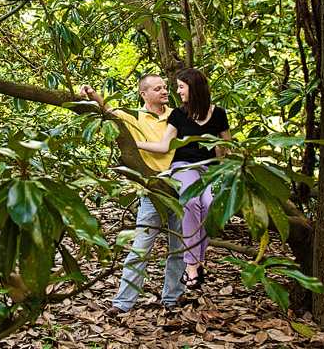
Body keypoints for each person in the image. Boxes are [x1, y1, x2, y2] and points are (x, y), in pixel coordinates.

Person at [79, 75, 185, 316]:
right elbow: (108, 111)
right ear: (144, 94)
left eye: (165, 88)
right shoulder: (134, 116)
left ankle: (172, 299)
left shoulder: (178, 115)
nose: (164, 92)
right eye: (157, 89)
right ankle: (123, 303)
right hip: (151, 190)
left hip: (179, 188)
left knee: (178, 248)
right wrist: (92, 94)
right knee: (140, 248)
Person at [136, 68, 231, 289]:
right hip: (184, 166)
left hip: (210, 169)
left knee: (209, 204)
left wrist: (234, 170)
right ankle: (192, 264)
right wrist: (133, 145)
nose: (177, 92)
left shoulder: (219, 114)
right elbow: (163, 147)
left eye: (181, 87)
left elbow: (228, 148)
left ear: (194, 87)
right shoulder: (178, 114)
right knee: (190, 202)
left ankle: (196, 262)